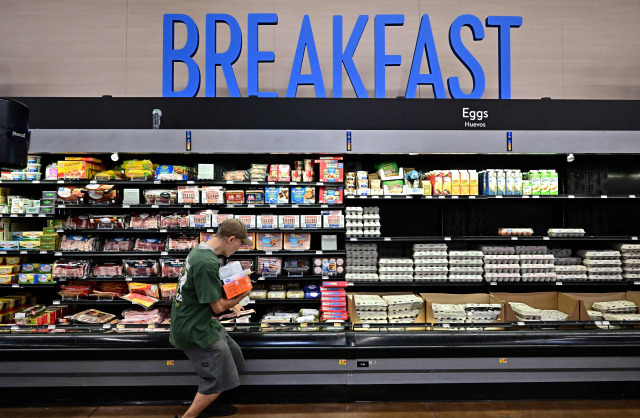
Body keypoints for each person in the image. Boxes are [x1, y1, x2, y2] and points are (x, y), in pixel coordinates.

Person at [170, 218, 253, 418]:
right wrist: (241, 294)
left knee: (235, 360)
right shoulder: (207, 262)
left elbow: (206, 294)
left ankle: (211, 404)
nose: (240, 248)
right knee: (217, 379)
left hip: (200, 321)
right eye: (240, 244)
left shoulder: (201, 250)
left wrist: (233, 300)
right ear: (231, 239)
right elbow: (217, 308)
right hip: (195, 328)